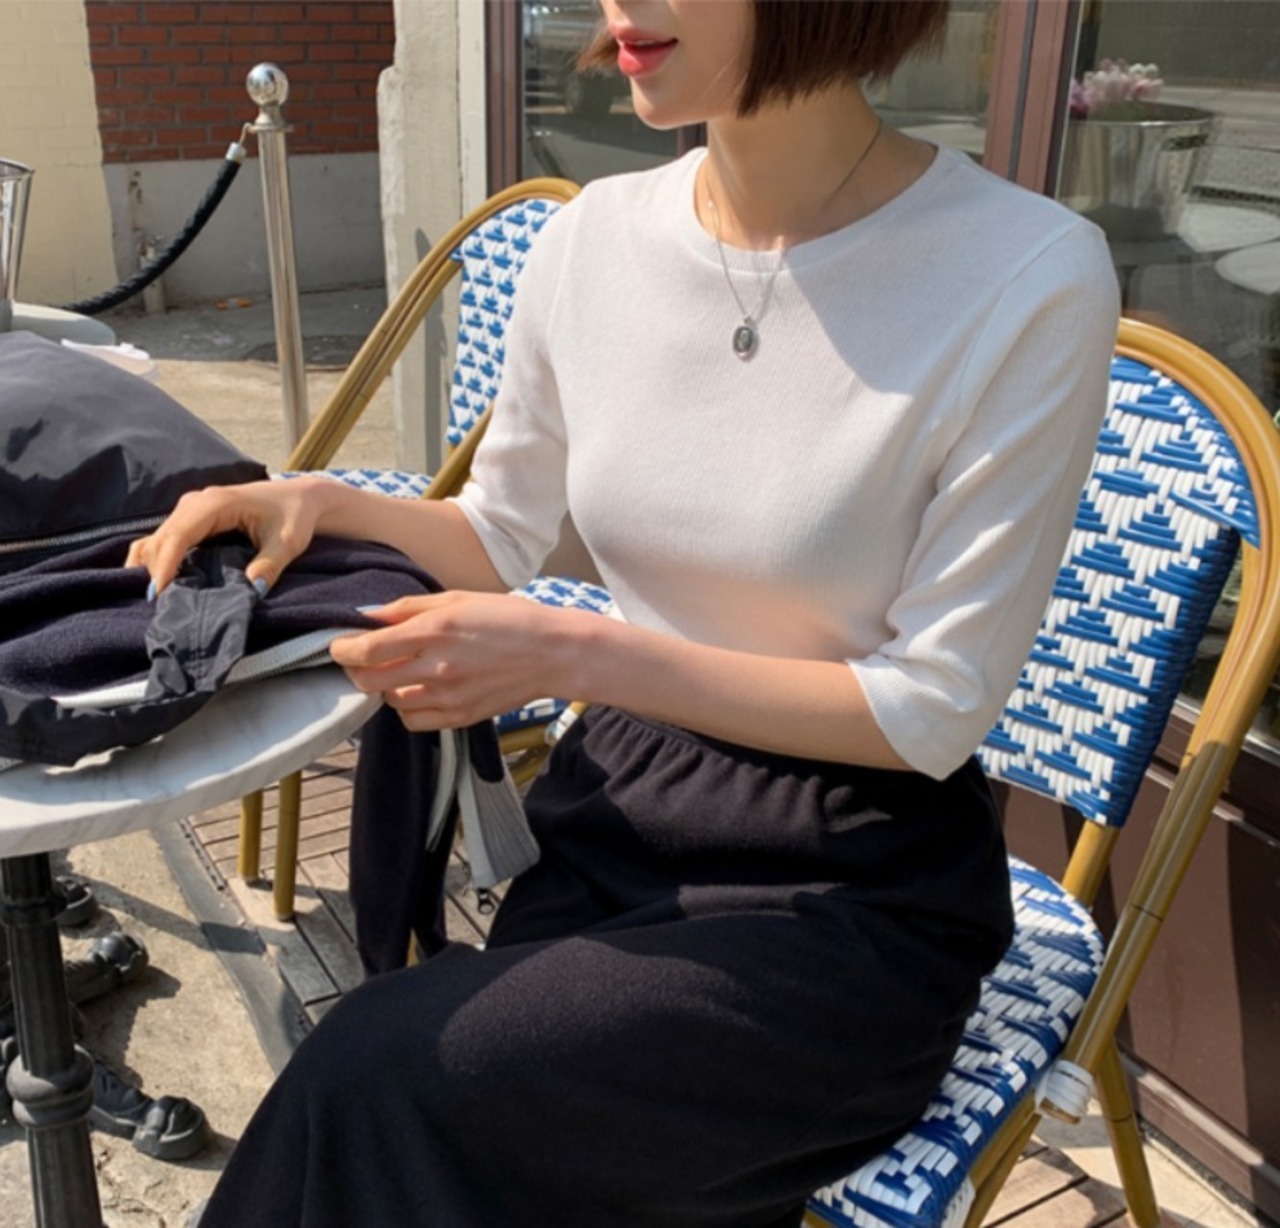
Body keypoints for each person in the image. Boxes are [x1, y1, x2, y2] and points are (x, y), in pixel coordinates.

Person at [132, 2, 1120, 1224]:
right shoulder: (592, 238)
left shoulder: (1023, 270)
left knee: (380, 1074)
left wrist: (572, 649)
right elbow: (499, 534)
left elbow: (929, 710)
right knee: (455, 1128)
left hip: (850, 886)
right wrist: (315, 501)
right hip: (616, 818)